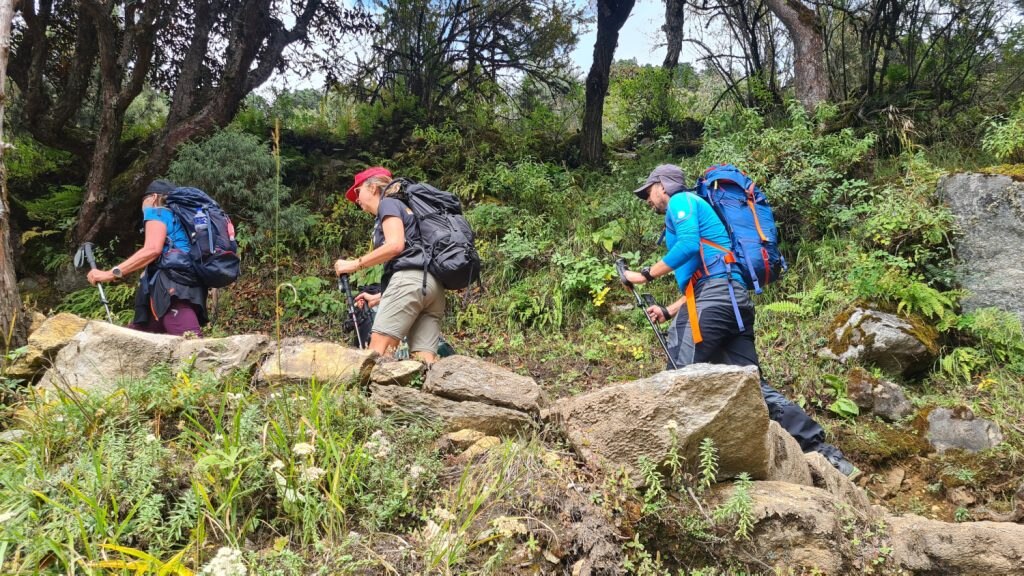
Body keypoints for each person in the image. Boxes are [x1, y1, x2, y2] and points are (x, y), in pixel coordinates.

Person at [621, 164, 857, 476]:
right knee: (751, 387)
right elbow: (710, 271)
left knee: (678, 373)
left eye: (648, 191)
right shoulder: (697, 210)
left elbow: (690, 245)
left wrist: (643, 275)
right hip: (730, 300)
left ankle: (670, 467)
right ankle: (826, 456)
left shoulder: (681, 201)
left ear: (664, 185)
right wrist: (671, 310)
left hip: (715, 300)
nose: (647, 199)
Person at [333, 167, 445, 363]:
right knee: (425, 362)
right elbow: (415, 254)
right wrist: (382, 296)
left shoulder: (388, 204)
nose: (357, 200)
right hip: (433, 287)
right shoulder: (407, 207)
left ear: (374, 187)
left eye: (358, 192)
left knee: (378, 354)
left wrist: (353, 265)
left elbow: (395, 245)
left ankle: (373, 394)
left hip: (410, 283)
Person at [87, 179, 207, 337]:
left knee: (192, 345)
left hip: (173, 287)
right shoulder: (183, 220)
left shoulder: (157, 212)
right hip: (189, 284)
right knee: (139, 333)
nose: (143, 205)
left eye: (144, 199)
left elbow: (152, 249)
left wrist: (110, 274)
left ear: (154, 197)